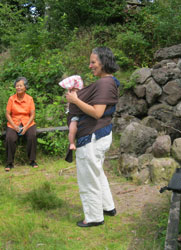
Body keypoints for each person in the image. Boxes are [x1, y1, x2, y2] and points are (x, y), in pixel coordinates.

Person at [66, 47, 120, 227]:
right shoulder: (107, 82)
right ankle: (107, 207)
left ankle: (94, 217)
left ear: (104, 62)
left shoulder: (105, 84)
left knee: (88, 178)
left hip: (92, 137)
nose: (90, 66)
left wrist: (75, 100)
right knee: (97, 173)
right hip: (99, 134)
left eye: (93, 62)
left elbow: (97, 113)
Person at [5, 77, 38, 171]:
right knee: (10, 138)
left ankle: (32, 160)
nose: (18, 87)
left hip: (28, 122)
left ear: (25, 87)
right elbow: (7, 114)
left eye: (20, 85)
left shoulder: (29, 99)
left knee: (32, 136)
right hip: (14, 122)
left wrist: (26, 127)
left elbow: (32, 115)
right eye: (17, 85)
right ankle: (9, 162)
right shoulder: (11, 99)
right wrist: (15, 126)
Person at [59, 75, 84, 150]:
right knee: (73, 125)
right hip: (74, 114)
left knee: (74, 124)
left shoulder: (79, 92)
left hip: (80, 113)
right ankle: (72, 143)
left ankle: (73, 143)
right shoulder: (71, 92)